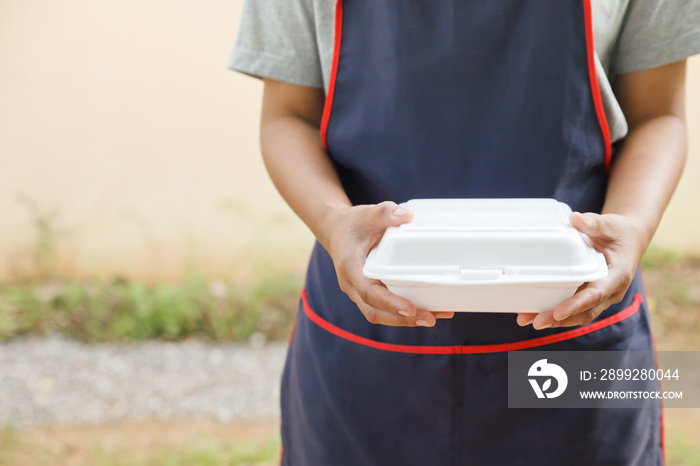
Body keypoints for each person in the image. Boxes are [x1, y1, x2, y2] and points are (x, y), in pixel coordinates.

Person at [230, 0, 700, 464]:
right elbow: (288, 114)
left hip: (577, 337)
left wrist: (632, 227)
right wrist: (334, 223)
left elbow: (658, 114)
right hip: (367, 342)